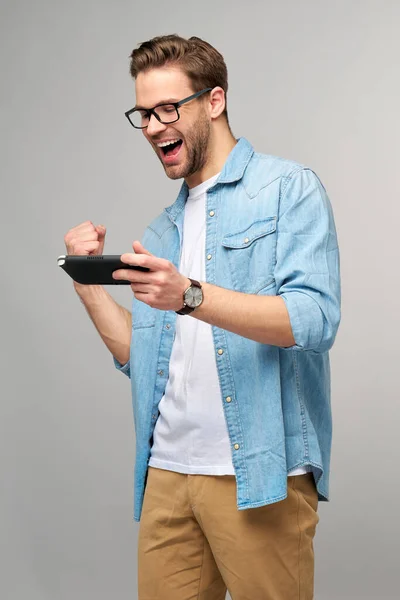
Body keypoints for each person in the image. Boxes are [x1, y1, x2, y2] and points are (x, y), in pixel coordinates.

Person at [64, 34, 341, 600]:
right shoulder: (165, 229)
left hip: (259, 476)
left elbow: (313, 319)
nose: (154, 126)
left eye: (169, 108)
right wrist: (87, 284)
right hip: (166, 476)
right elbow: (141, 363)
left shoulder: (288, 189)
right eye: (143, 114)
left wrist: (190, 295)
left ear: (214, 101)